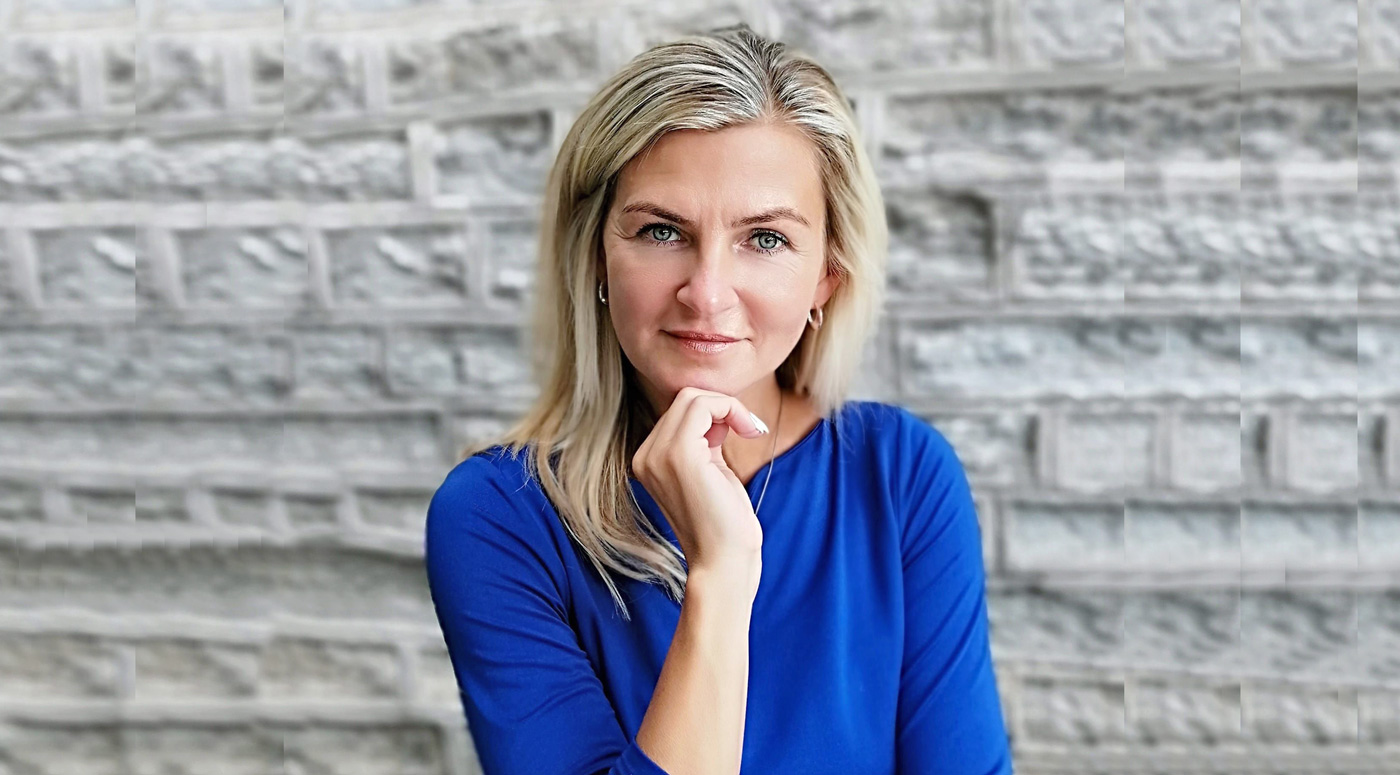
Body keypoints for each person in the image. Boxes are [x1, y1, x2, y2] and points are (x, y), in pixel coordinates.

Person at [423, 24, 1013, 775]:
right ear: (596, 253)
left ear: (825, 278)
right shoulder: (500, 516)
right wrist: (721, 578)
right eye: (661, 231)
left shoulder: (898, 476)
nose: (706, 293)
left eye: (764, 239)